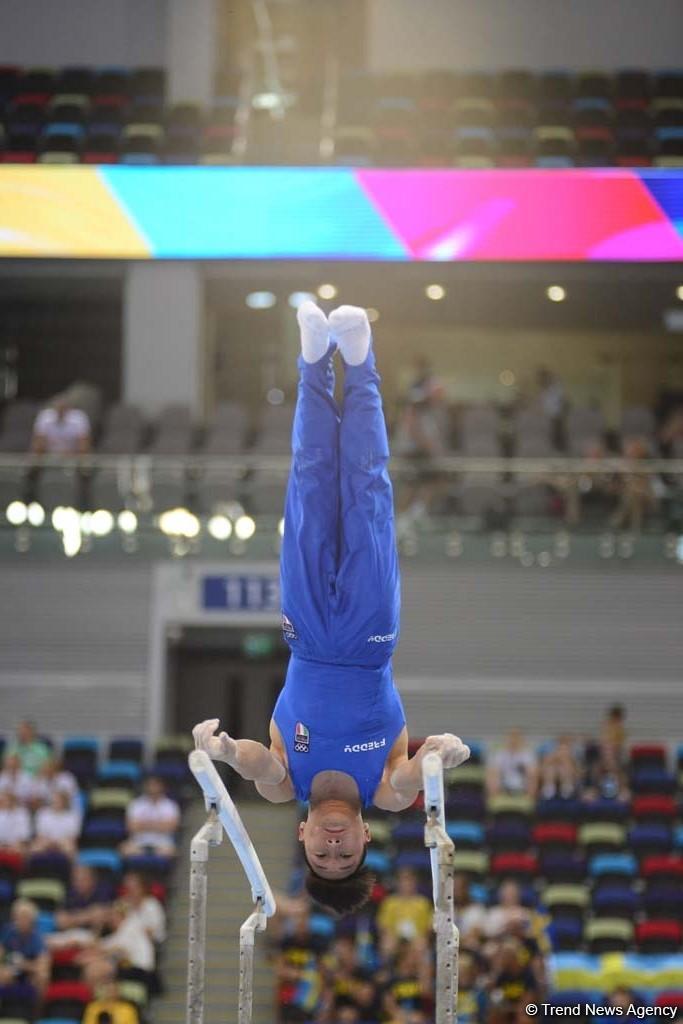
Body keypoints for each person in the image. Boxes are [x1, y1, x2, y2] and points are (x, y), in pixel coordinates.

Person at [193, 303, 470, 917]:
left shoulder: (285, 785)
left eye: (324, 857)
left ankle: (315, 360)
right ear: (368, 837)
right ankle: (361, 360)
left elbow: (253, 760)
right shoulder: (389, 794)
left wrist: (222, 750)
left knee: (312, 480)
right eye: (347, 857)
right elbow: (413, 774)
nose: (335, 847)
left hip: (307, 631)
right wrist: (440, 755)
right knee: (367, 487)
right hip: (371, 635)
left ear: (303, 837)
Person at [0, 899, 50, 1005]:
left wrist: (24, 965)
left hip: (29, 972)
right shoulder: (9, 932)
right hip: (11, 970)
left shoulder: (37, 938)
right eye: (18, 917)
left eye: (25, 917)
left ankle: (37, 1014)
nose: (21, 921)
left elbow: (43, 966)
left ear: (32, 920)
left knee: (42, 977)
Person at [376, 867, 433, 956]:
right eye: (403, 881)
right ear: (398, 883)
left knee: (421, 944)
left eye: (410, 881)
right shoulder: (390, 902)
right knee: (387, 944)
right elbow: (383, 925)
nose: (406, 884)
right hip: (395, 935)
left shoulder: (423, 902)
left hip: (416, 936)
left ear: (415, 883)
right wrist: (390, 936)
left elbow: (429, 926)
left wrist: (422, 936)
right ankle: (387, 968)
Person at [120, 776, 180, 858]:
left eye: (155, 785)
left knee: (171, 852)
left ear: (161, 786)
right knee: (124, 849)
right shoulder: (136, 804)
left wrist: (143, 825)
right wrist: (159, 825)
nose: (153, 788)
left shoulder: (170, 805)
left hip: (163, 842)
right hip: (139, 841)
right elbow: (131, 827)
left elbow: (171, 827)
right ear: (146, 786)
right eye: (150, 785)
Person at [486, 729, 538, 800]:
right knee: (492, 773)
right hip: (503, 786)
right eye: (511, 738)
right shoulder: (500, 754)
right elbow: (493, 771)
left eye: (516, 738)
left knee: (532, 775)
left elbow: (532, 774)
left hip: (522, 787)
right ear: (507, 739)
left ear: (521, 740)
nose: (514, 740)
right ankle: (494, 798)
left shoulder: (527, 754)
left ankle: (530, 798)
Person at [31, 789, 81, 857]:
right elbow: (40, 834)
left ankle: (69, 867)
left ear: (64, 802)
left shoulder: (72, 815)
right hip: (45, 840)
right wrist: (50, 842)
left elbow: (73, 836)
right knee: (35, 848)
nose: (55, 802)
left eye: (58, 801)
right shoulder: (42, 813)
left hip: (64, 841)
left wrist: (59, 843)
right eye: (53, 800)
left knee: (69, 847)